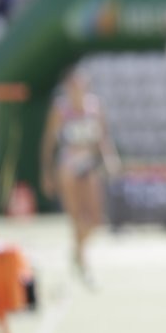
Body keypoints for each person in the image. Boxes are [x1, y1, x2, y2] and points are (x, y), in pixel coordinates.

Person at [41, 72, 120, 284]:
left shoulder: (94, 107)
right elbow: (49, 141)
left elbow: (103, 137)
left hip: (89, 163)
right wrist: (47, 172)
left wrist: (110, 159)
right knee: (76, 217)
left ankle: (77, 250)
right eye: (72, 85)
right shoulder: (60, 109)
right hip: (68, 165)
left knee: (95, 218)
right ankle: (82, 262)